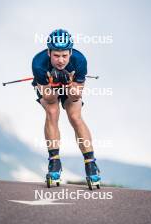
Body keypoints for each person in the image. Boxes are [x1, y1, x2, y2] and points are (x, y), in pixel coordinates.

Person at [32, 29, 101, 187]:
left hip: (71, 87)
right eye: (56, 55)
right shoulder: (38, 63)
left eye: (64, 55)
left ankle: (90, 164)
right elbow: (50, 98)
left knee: (75, 116)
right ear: (49, 52)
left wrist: (69, 83)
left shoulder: (80, 61)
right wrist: (54, 82)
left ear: (70, 52)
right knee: (52, 111)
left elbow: (75, 96)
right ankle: (54, 162)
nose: (61, 60)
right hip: (49, 88)